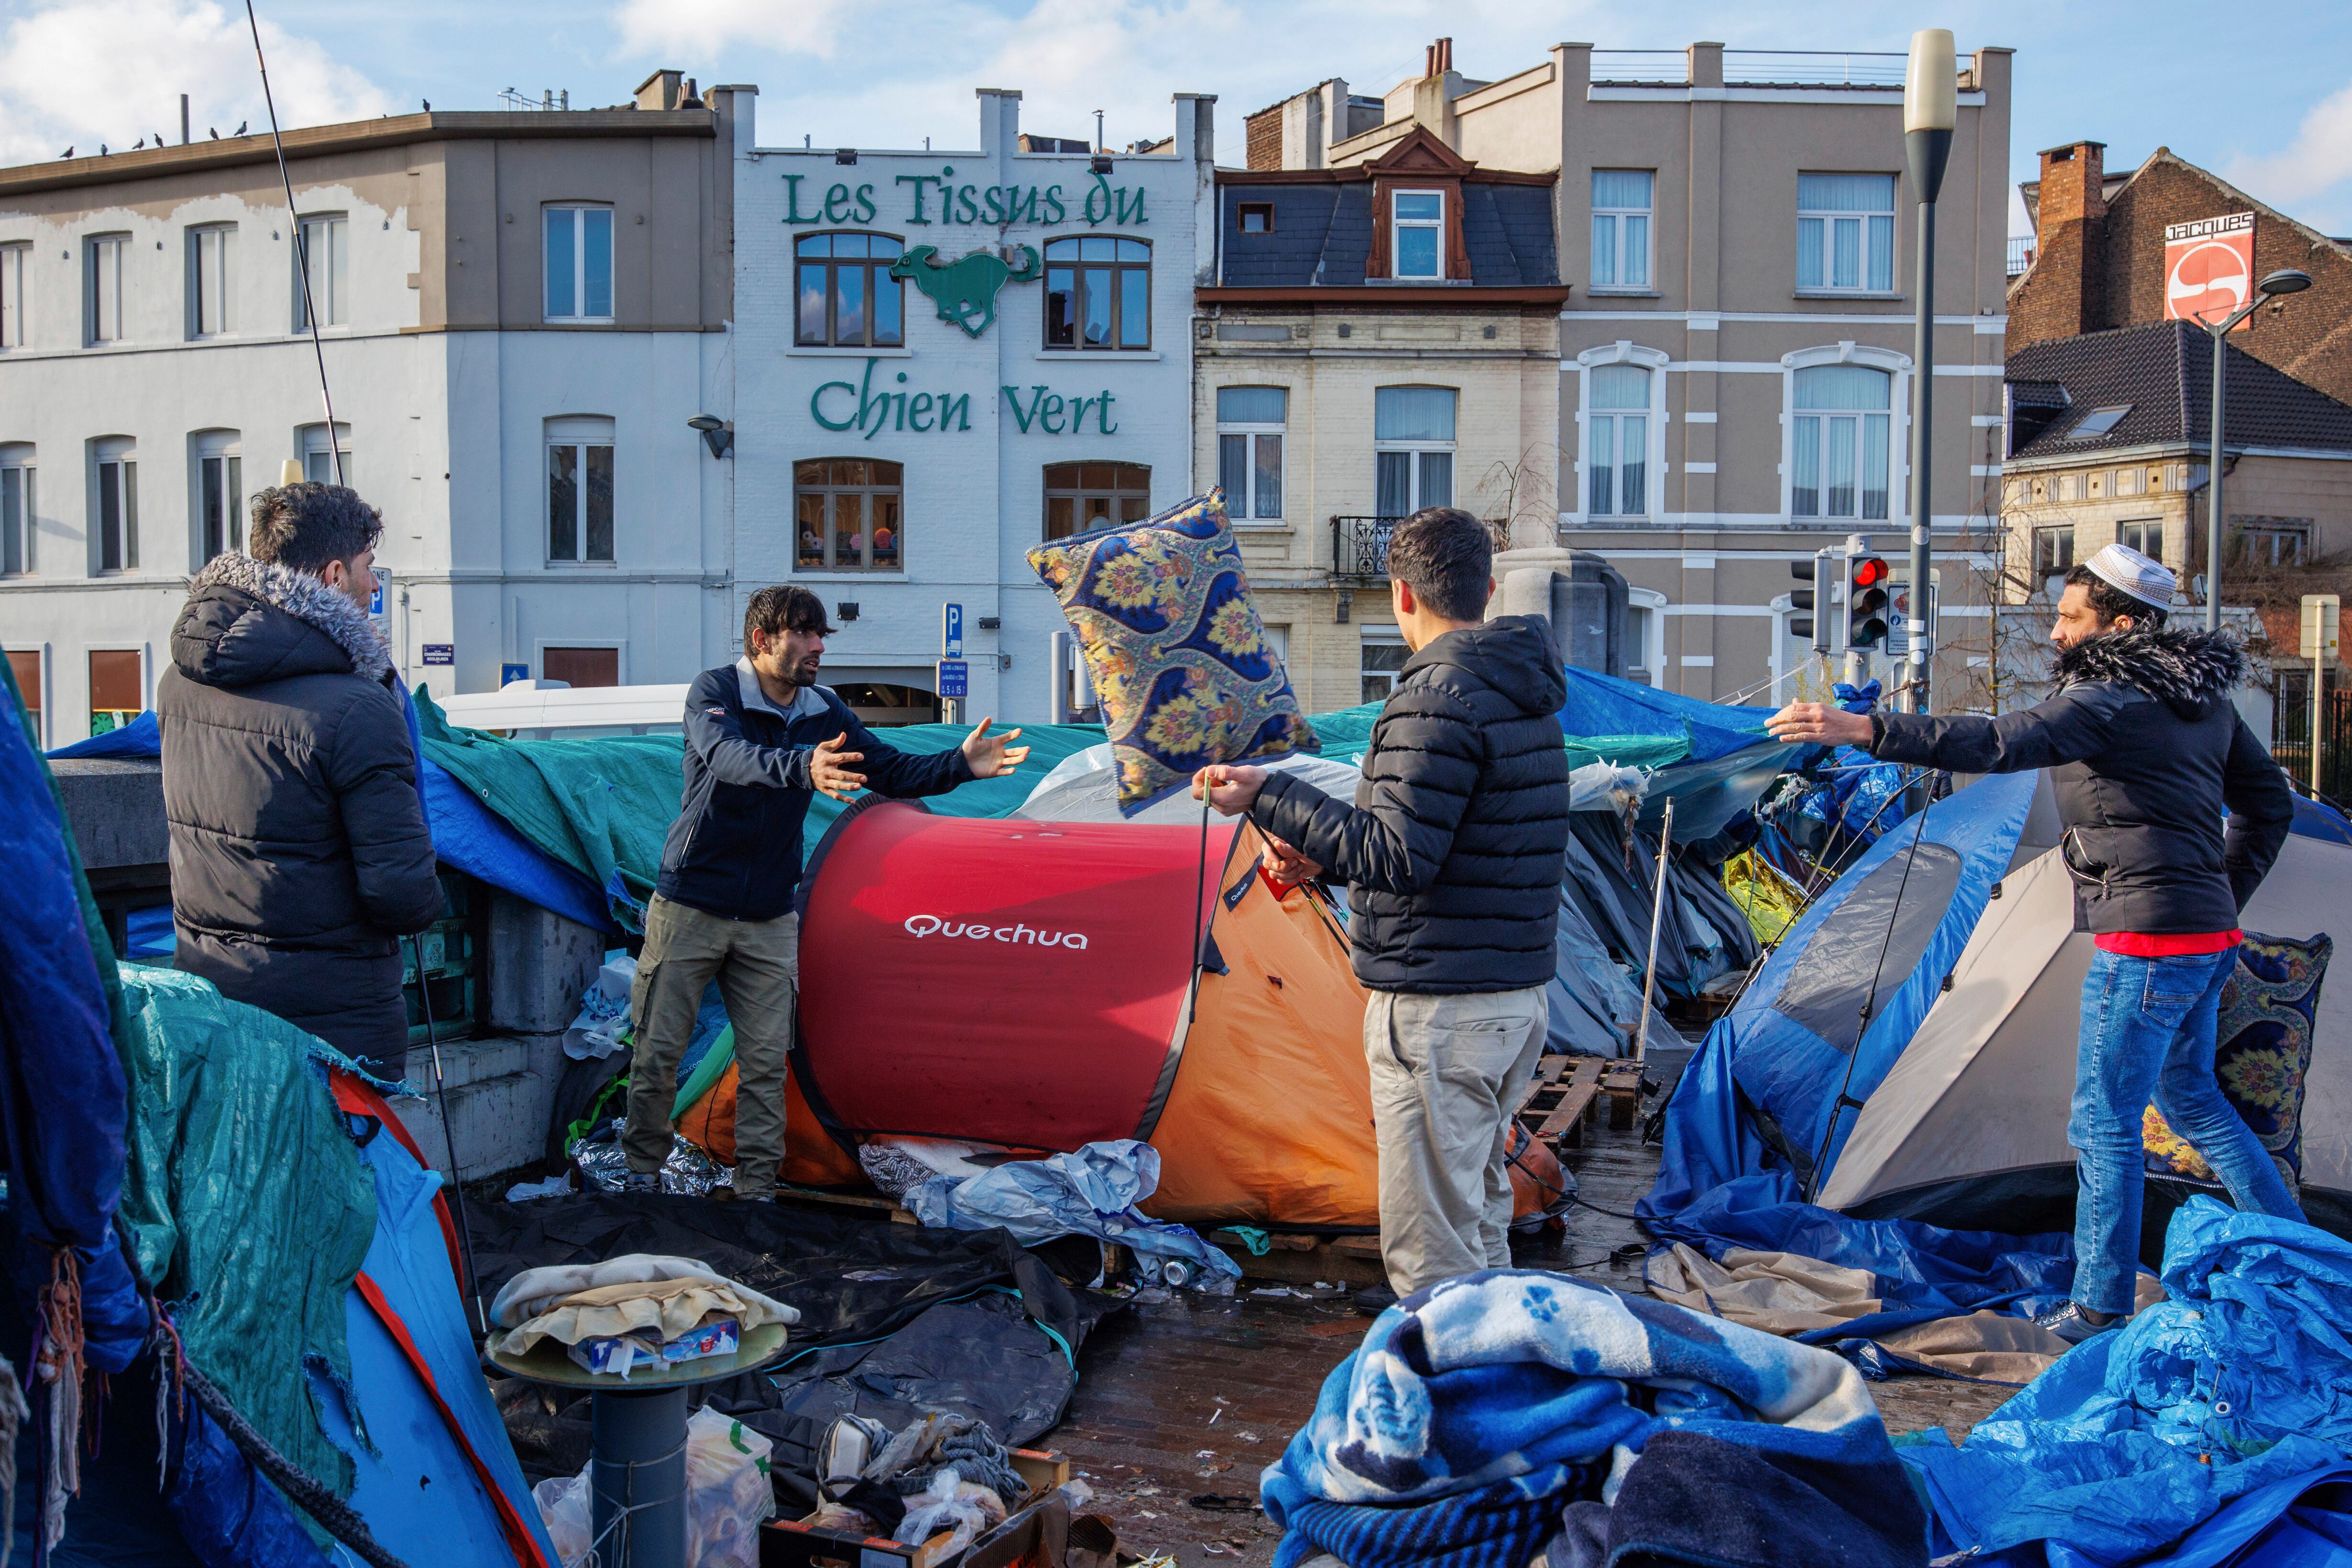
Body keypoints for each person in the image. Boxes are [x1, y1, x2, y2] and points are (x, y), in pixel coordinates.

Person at [1766, 543, 2299, 1341]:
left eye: (2068, 617)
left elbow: (1994, 741)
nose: (2053, 631)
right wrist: (2218, 894)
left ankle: (2097, 1306)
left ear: (2120, 624)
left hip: (2147, 945)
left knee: (2104, 1118)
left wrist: (1863, 727)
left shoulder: (2106, 699)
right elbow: (2272, 807)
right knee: (2192, 1100)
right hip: (2205, 935)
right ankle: (2303, 1258)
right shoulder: (2202, 702)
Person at [1192, 507, 1570, 1308]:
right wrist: (1320, 848)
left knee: (1431, 1252)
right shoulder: (1522, 692)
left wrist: (1271, 792)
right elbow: (1448, 842)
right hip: (1510, 997)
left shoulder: (1433, 696)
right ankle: (1499, 1373)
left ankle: (1452, 1405)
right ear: (1488, 589)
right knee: (1478, 1220)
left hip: (1442, 1010)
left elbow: (1398, 857)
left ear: (1400, 594)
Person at [621, 585, 1029, 1201]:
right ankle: (639, 1174)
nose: (817, 647)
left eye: (821, 637)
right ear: (762, 641)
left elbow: (888, 769)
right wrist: (801, 767)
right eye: (804, 635)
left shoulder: (825, 710)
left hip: (768, 913)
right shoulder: (716, 692)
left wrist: (960, 765)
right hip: (691, 903)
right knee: (658, 1048)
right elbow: (729, 758)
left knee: (765, 1062)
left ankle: (756, 1191)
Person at [157, 482, 443, 1079]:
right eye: (369, 569)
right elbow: (403, 895)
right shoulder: (358, 709)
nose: (374, 586)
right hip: (332, 1024)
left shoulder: (178, 685)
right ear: (335, 575)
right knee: (342, 1171)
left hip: (213, 1005)